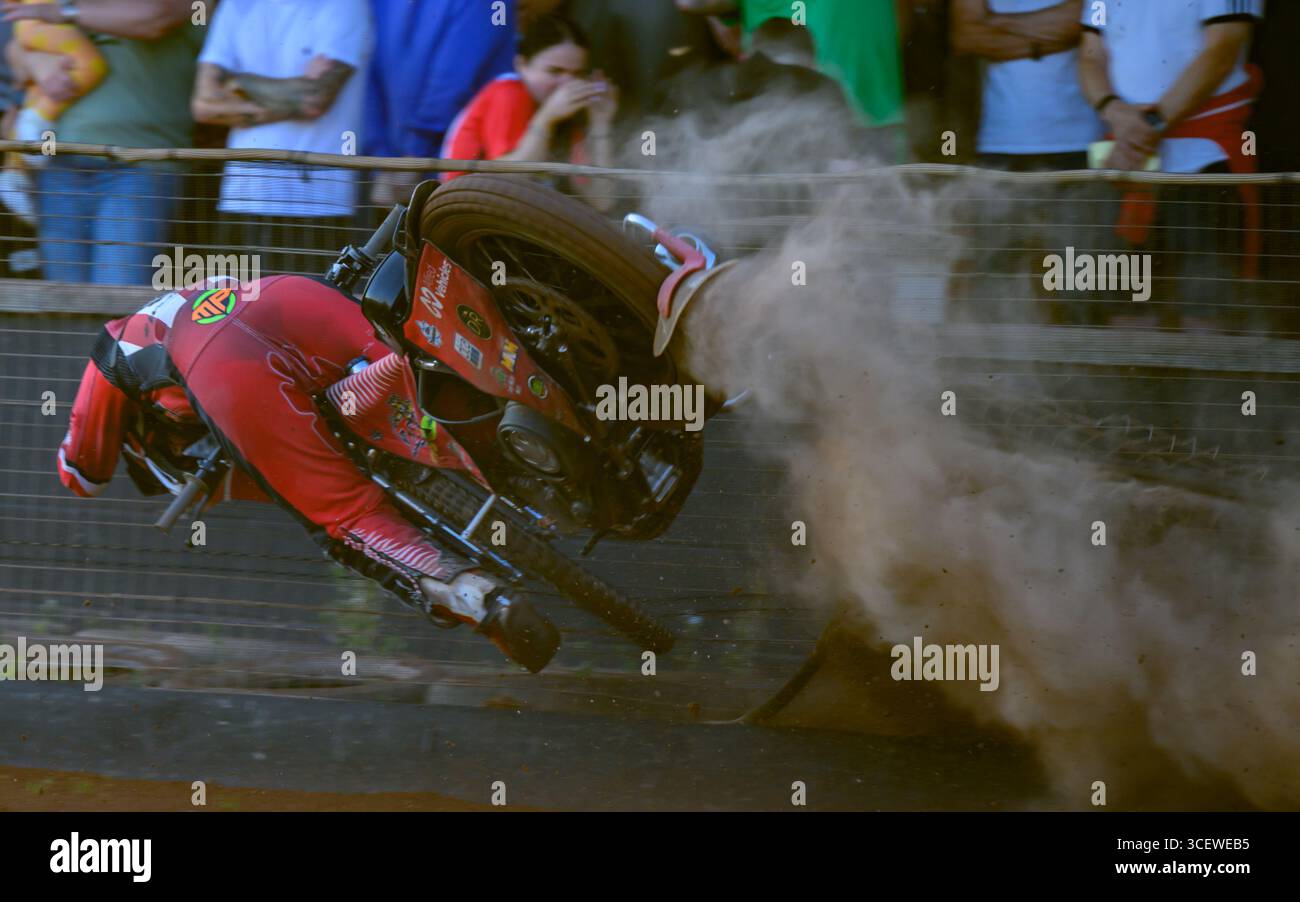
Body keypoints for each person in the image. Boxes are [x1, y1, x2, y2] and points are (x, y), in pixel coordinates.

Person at [55, 269, 562, 674]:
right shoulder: (181, 296)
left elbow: (82, 474)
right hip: (286, 294)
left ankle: (476, 597)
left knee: (343, 515)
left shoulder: (114, 348)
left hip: (225, 362)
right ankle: (564, 438)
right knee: (426, 371)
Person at [1077, 0, 1264, 331]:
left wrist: (1150, 124)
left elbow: (1222, 50)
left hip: (1204, 162)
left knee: (1204, 316)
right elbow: (1092, 52)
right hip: (1127, 161)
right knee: (1127, 318)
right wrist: (1113, 110)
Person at [3, 0, 203, 285]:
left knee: (117, 296)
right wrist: (35, 62)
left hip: (140, 167)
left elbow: (155, 19)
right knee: (64, 302)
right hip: (59, 164)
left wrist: (62, 12)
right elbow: (17, 48)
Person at [191, 0, 374, 276]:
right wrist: (294, 95)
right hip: (241, 197)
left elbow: (314, 99)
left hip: (317, 201)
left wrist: (240, 83)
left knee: (307, 315)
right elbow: (203, 106)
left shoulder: (344, 5)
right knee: (237, 313)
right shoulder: (236, 6)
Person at [439, 13, 617, 208]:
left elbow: (603, 199)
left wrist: (601, 122)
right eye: (554, 71)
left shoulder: (565, 116)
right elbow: (507, 181)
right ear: (521, 65)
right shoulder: (508, 92)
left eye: (578, 74)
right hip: (462, 220)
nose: (567, 84)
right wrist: (545, 118)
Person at [6, 0, 107, 157]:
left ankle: (19, 168)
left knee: (40, 93)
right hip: (38, 20)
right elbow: (13, 53)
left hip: (30, 22)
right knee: (90, 66)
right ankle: (37, 122)